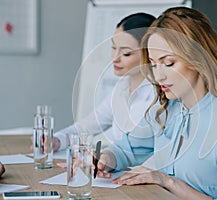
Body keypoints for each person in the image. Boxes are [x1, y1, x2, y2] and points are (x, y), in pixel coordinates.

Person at [95, 7, 217, 200]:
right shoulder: (165, 111)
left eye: (169, 63)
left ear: (198, 58)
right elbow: (125, 150)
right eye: (154, 64)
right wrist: (104, 159)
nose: (158, 75)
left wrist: (167, 181)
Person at [30, 13, 156, 161]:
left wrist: (106, 158)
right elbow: (86, 126)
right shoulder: (121, 88)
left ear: (149, 54)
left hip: (142, 175)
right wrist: (57, 140)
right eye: (113, 48)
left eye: (126, 53)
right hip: (115, 170)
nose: (114, 58)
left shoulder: (159, 94)